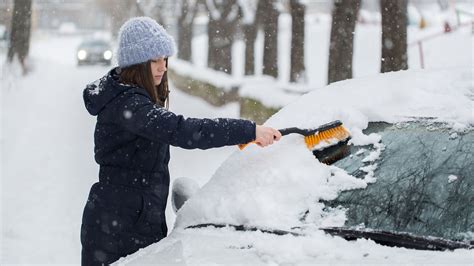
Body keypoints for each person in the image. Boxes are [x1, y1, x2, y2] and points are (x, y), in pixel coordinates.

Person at [80, 17, 281, 265]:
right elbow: (183, 130)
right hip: (118, 227)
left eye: (164, 59)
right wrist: (248, 131)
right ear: (136, 63)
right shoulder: (128, 104)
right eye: (154, 60)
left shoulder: (130, 97)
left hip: (132, 218)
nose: (162, 66)